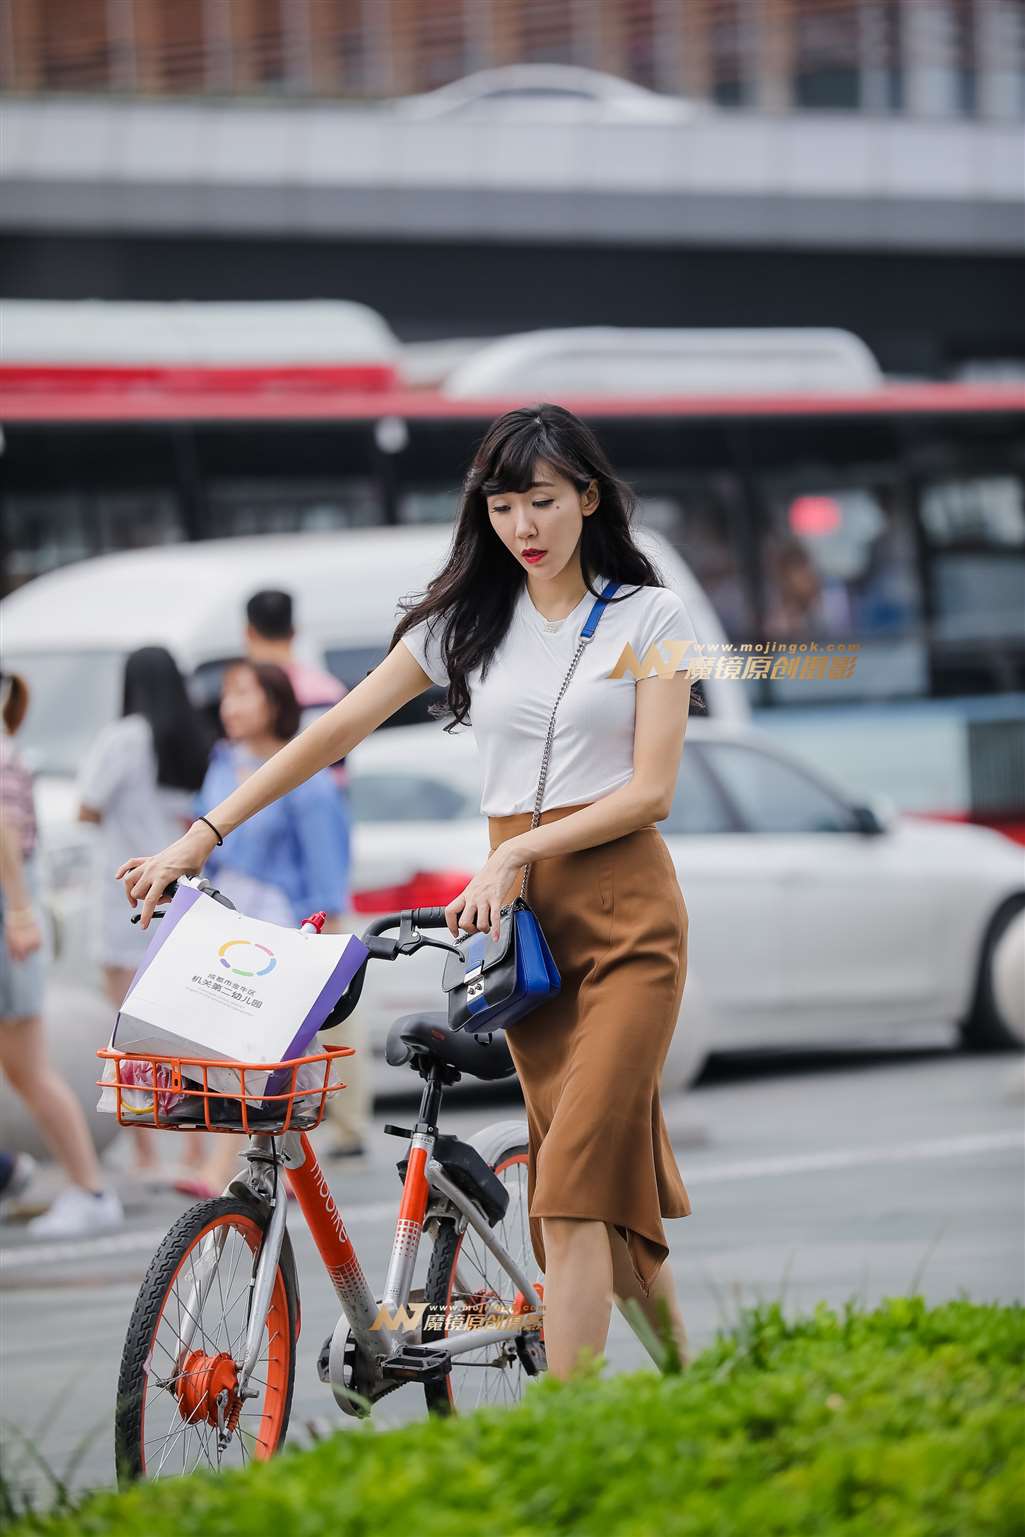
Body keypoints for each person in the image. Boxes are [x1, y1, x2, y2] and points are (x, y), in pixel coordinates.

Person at [116, 402, 701, 1380]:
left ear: (587, 498)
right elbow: (329, 732)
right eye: (504, 503)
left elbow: (651, 788)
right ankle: (698, 1387)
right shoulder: (466, 623)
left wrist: (516, 853)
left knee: (570, 1183)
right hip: (524, 937)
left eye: (543, 500)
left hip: (626, 917)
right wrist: (198, 836)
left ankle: (566, 1440)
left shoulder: (650, 617)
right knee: (595, 1179)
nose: (523, 523)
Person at [191, 660, 352, 1193]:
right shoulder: (221, 763)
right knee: (232, 1045)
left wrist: (324, 948)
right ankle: (259, 1166)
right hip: (227, 919)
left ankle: (228, 1172)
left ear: (275, 702)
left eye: (243, 694)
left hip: (280, 927)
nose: (228, 706)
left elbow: (328, 872)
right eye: (227, 695)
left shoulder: (307, 778)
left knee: (255, 1049)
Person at [78, 646, 215, 1190]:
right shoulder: (192, 737)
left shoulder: (124, 737)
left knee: (128, 1027)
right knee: (181, 1026)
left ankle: (142, 1145)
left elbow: (86, 807)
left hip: (125, 894)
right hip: (177, 893)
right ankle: (197, 1146)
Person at [243, 591, 369, 1160]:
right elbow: (339, 769)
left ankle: (317, 1110)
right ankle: (341, 1114)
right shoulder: (325, 688)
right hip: (322, 835)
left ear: (249, 631)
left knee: (310, 984)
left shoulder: (257, 689)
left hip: (291, 843)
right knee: (331, 984)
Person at [0, 672, 124, 1237]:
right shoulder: (11, 745)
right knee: (26, 1068)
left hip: (8, 920)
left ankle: (89, 1188)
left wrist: (21, 913)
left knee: (27, 1068)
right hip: (13, 918)